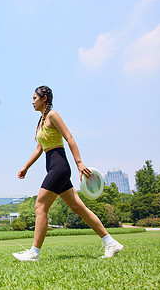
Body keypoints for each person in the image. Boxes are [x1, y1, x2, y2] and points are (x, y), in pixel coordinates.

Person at [12, 86, 124, 262]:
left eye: (35, 98)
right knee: (78, 207)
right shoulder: (41, 121)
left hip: (59, 166)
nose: (32, 101)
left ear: (45, 98)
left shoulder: (53, 115)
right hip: (54, 167)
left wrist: (79, 162)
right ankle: (111, 242)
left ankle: (34, 253)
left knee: (40, 206)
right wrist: (25, 167)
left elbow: (69, 137)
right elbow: (39, 148)